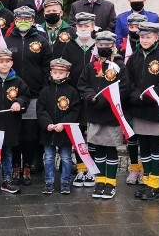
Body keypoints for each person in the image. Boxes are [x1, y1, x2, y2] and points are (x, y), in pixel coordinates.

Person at [78, 30, 131, 200]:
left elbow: (124, 88)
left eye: (107, 45)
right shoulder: (90, 66)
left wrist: (104, 100)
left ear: (113, 46)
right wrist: (89, 96)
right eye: (100, 45)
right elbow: (83, 84)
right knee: (98, 149)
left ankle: (111, 183)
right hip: (94, 114)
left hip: (111, 114)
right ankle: (100, 181)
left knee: (110, 149)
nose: (103, 48)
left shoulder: (120, 66)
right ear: (96, 46)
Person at [126, 21, 159, 201]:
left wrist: (149, 95)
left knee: (155, 148)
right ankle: (146, 181)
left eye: (148, 37)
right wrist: (135, 95)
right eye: (142, 37)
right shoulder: (133, 58)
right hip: (138, 110)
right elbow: (128, 81)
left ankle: (154, 185)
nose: (145, 40)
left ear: (156, 37)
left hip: (155, 110)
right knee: (144, 148)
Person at [5, 6, 53, 186]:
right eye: (19, 19)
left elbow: (47, 67)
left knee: (31, 134)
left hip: (34, 95)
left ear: (33, 20)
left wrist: (43, 91)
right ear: (15, 21)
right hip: (12, 96)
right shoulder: (7, 40)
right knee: (15, 134)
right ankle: (15, 166)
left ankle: (28, 165)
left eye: (27, 18)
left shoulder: (41, 40)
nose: (23, 22)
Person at [0, 48, 29, 197]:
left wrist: (19, 102)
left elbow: (25, 96)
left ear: (12, 63)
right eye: (1, 62)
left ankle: (7, 179)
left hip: (10, 124)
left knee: (7, 153)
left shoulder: (18, 81)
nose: (4, 64)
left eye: (7, 61)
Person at [37, 58, 80, 195]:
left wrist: (64, 124)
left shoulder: (72, 91)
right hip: (48, 132)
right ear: (51, 73)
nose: (57, 75)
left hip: (64, 132)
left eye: (61, 73)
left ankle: (65, 182)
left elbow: (74, 111)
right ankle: (49, 183)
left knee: (66, 158)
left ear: (67, 74)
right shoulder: (45, 91)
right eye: (55, 72)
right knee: (48, 157)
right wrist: (46, 124)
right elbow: (41, 109)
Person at [70, 12, 99, 187]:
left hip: (92, 97)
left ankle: (93, 169)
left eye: (87, 26)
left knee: (93, 135)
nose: (83, 29)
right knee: (79, 135)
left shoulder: (98, 46)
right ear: (76, 28)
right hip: (75, 97)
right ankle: (81, 169)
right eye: (80, 26)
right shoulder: (70, 46)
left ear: (93, 26)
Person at [121, 13, 146, 186]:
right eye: (132, 27)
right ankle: (134, 167)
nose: (135, 29)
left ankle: (144, 168)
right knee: (131, 136)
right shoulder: (122, 47)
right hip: (128, 95)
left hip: (144, 96)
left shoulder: (149, 45)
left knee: (144, 136)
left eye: (138, 27)